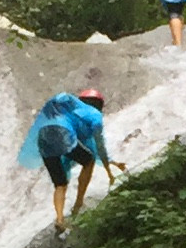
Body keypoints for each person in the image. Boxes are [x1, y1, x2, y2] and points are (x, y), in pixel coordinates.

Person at [21, 84, 120, 229]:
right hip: (62, 133)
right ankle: (78, 203)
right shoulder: (95, 116)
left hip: (43, 136)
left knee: (60, 184)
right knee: (88, 160)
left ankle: (60, 220)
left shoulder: (68, 110)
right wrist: (109, 169)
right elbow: (99, 146)